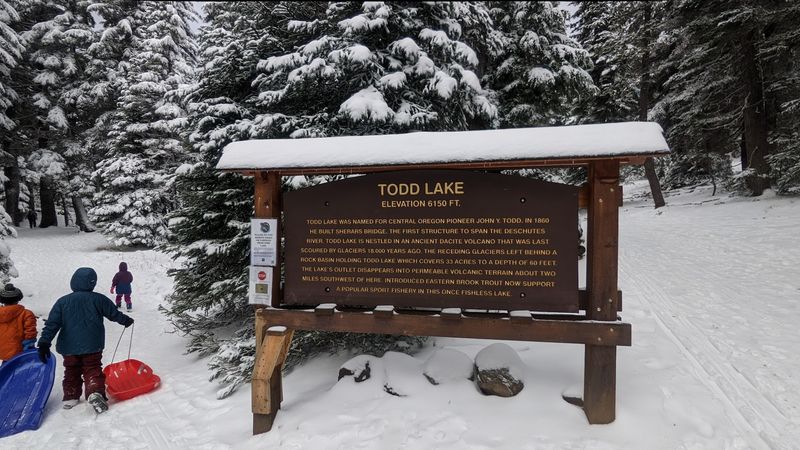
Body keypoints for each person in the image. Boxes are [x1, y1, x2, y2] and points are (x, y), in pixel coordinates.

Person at [37, 267, 133, 413]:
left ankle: (71, 396)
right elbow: (114, 314)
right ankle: (95, 392)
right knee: (92, 368)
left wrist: (44, 342)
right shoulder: (99, 299)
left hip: (68, 346)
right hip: (92, 344)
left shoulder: (62, 302)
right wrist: (125, 320)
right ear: (92, 283)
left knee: (71, 370)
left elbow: (52, 324)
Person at [0, 283, 37, 362]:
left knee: (7, 369)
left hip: (3, 351)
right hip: (20, 352)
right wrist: (29, 345)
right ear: (18, 299)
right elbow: (30, 332)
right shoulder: (26, 314)